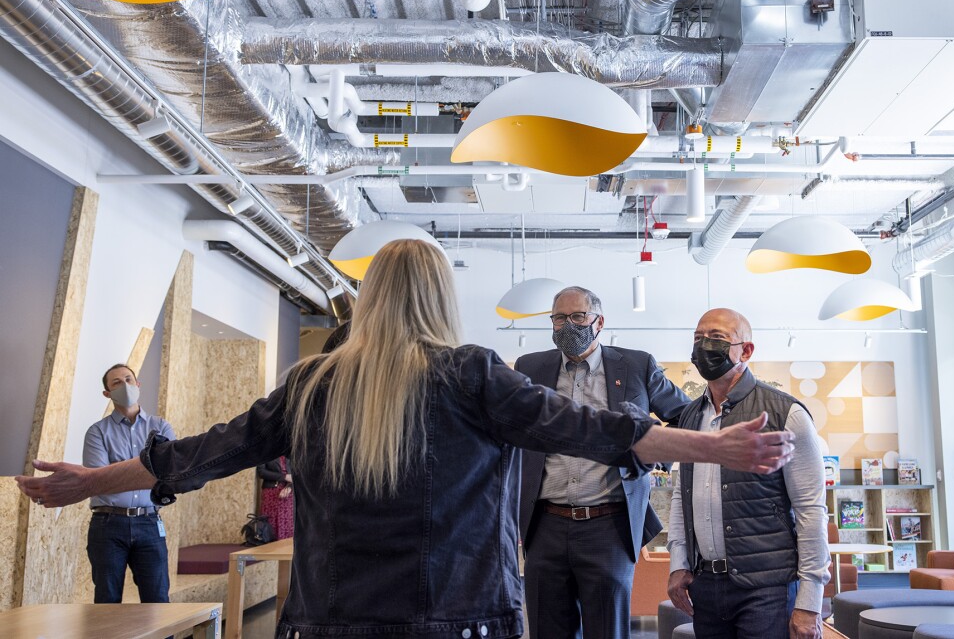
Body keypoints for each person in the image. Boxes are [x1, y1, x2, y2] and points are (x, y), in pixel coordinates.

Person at [17, 240, 795, 639]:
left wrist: (88, 481)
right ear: (437, 298)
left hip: (328, 620)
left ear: (369, 299)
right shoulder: (471, 374)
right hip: (459, 619)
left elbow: (199, 454)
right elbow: (594, 431)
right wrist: (712, 445)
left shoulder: (312, 383)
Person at [516, 286, 692, 639]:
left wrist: (652, 456)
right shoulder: (530, 367)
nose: (569, 325)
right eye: (559, 318)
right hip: (544, 524)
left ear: (599, 321)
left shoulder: (636, 365)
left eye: (578, 316)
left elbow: (687, 415)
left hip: (608, 526)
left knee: (607, 631)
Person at [667, 309, 827, 639]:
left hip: (766, 588)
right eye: (698, 338)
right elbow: (682, 498)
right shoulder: (689, 417)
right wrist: (678, 563)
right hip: (705, 586)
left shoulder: (786, 414)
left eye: (717, 338)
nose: (704, 346)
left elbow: (811, 512)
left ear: (747, 350)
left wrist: (810, 602)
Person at [83, 363, 175, 603]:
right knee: (107, 602)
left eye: (128, 379)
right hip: (108, 524)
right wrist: (147, 470)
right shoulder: (97, 432)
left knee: (158, 602)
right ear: (107, 394)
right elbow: (98, 480)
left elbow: (169, 474)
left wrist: (118, 472)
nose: (125, 385)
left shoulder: (161, 427)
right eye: (116, 383)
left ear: (138, 384)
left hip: (149, 522)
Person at [257, 456, 295, 540]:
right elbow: (261, 472)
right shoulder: (265, 451)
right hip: (270, 492)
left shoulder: (291, 451)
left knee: (287, 522)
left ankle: (286, 550)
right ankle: (268, 548)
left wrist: (290, 487)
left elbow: (297, 473)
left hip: (288, 492)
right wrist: (284, 477)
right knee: (270, 521)